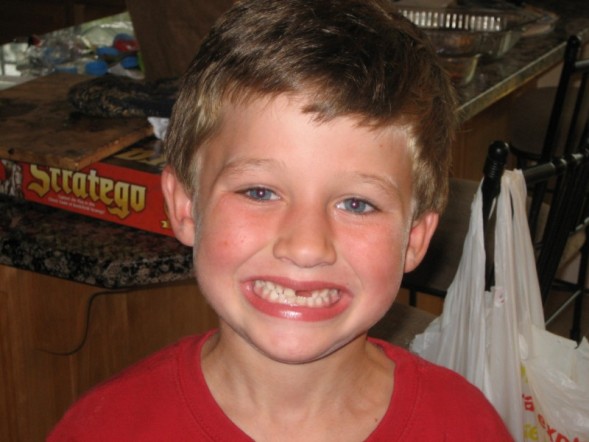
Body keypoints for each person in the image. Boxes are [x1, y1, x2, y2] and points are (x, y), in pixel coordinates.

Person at [48, 0, 514, 440]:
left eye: (356, 204)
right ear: (186, 206)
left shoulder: (468, 427)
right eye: (260, 192)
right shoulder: (102, 429)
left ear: (413, 238)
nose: (306, 247)